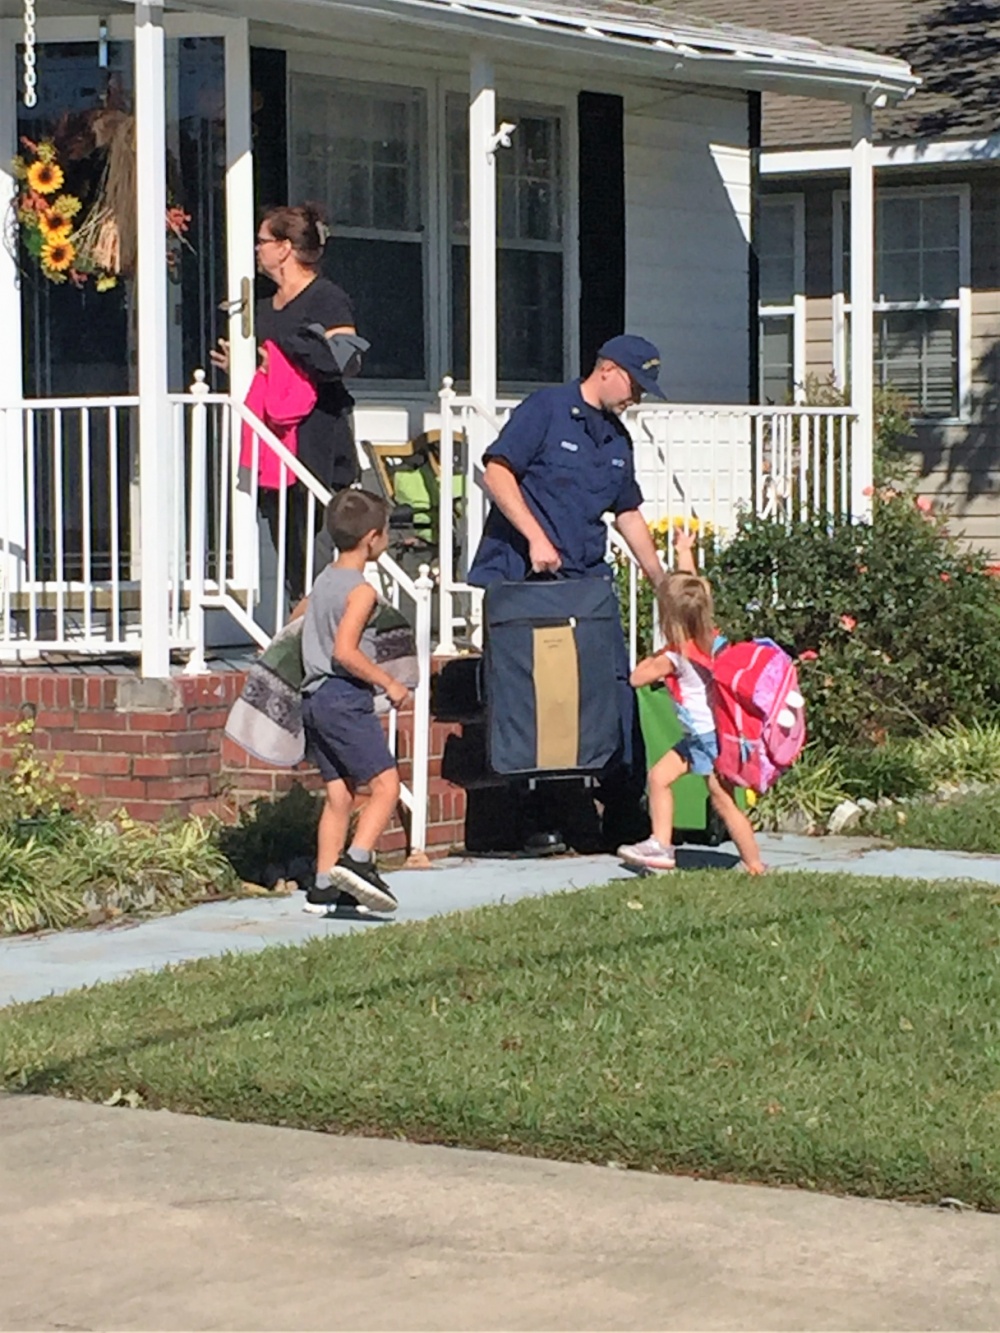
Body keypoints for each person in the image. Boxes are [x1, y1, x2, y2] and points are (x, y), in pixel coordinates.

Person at [467, 334, 668, 852]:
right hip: (526, 581)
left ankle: (623, 812)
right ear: (606, 369)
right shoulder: (547, 410)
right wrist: (536, 537)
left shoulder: (617, 440)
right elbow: (496, 471)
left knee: (613, 692)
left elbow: (626, 512)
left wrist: (662, 581)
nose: (637, 399)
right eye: (634, 385)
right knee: (540, 700)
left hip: (585, 583)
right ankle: (538, 817)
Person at [211, 202, 361, 602]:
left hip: (318, 436)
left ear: (284, 247)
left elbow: (348, 360)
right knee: (286, 540)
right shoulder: (261, 308)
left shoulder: (326, 299)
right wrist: (245, 367)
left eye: (261, 241)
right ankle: (299, 625)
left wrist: (286, 353)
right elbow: (269, 368)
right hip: (273, 440)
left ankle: (324, 631)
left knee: (316, 542)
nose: (256, 250)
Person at [619, 527, 766, 875]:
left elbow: (637, 677)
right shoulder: (711, 639)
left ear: (669, 620)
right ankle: (661, 847)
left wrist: (653, 659)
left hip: (705, 740)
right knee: (659, 778)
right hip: (708, 734)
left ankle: (756, 865)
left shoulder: (674, 657)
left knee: (723, 801)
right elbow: (696, 589)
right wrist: (685, 551)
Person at [296, 489, 409, 916]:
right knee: (386, 786)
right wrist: (389, 684)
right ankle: (358, 861)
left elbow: (296, 620)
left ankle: (324, 885)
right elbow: (345, 652)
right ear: (373, 538)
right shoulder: (361, 591)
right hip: (343, 697)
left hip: (313, 697)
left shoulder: (324, 579)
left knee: (339, 795)